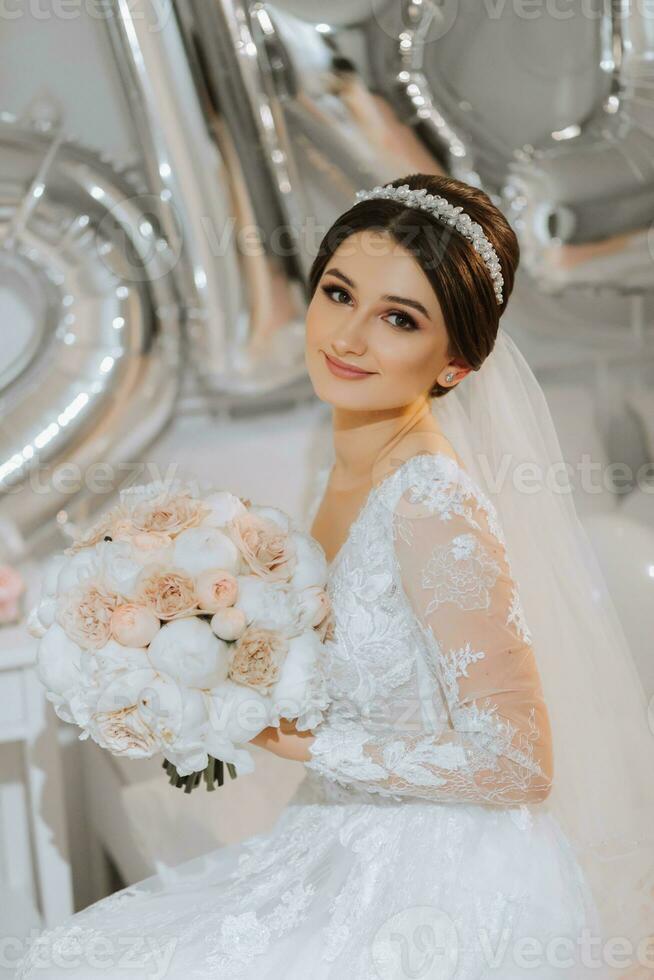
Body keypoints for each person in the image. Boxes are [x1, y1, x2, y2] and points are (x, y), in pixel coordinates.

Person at [13, 174, 654, 979]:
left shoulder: (427, 499)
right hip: (341, 836)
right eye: (338, 292)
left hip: (443, 879)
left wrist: (289, 739)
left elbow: (518, 760)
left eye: (398, 318)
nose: (348, 337)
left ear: (454, 364)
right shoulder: (346, 458)